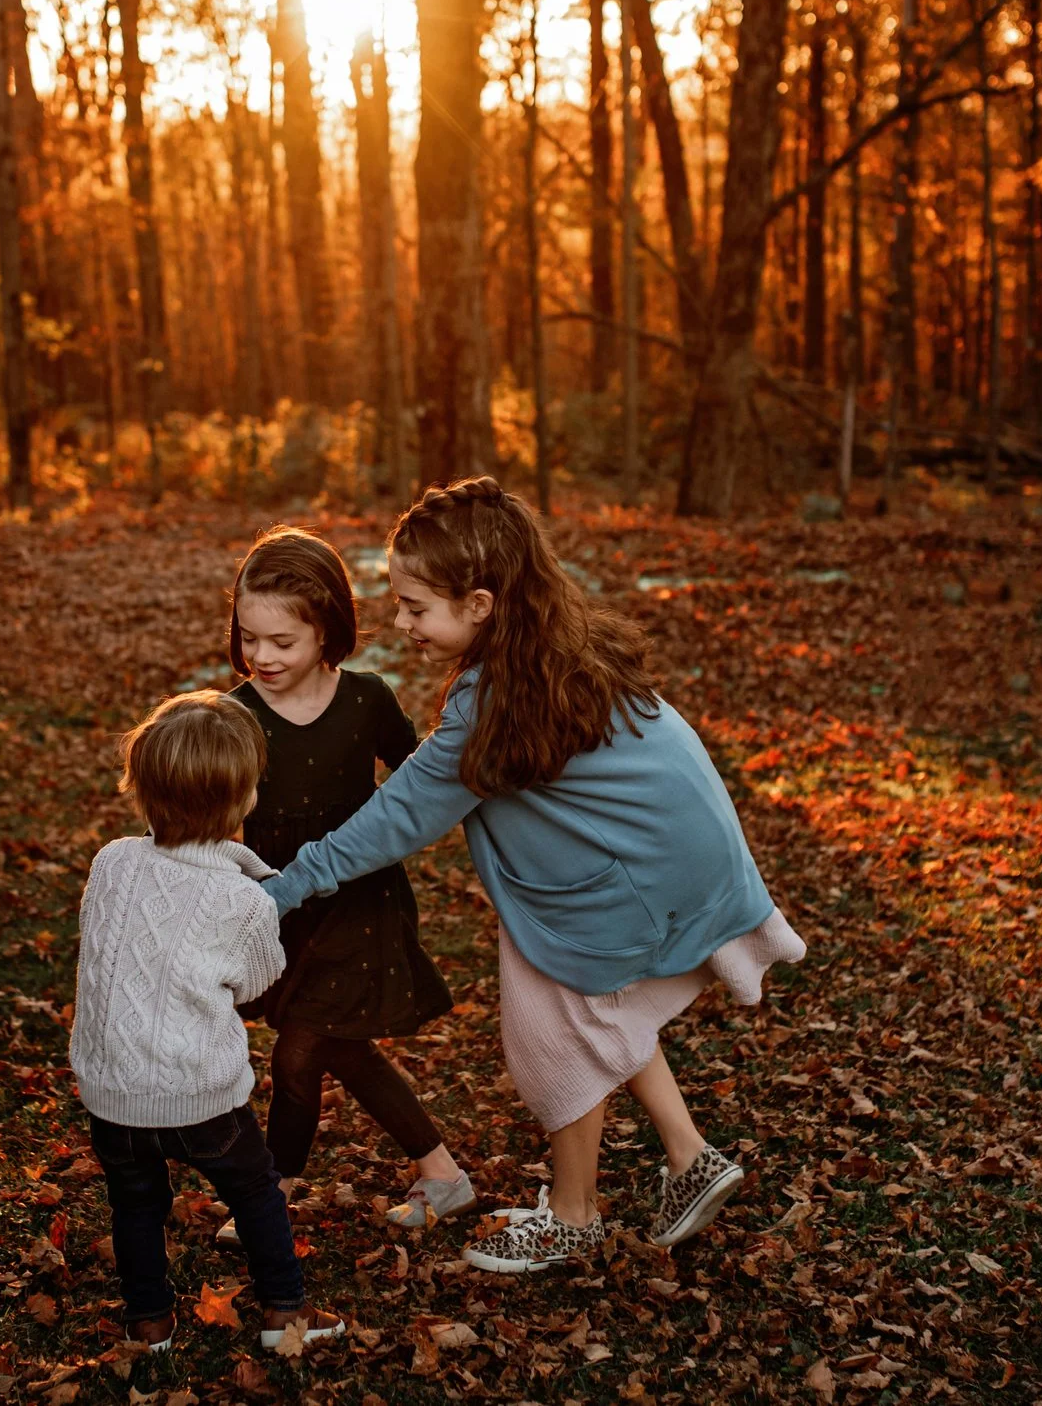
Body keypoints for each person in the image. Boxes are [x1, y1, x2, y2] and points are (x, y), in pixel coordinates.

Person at [258, 479, 807, 1273]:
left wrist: (274, 889)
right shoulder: (556, 642)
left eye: (415, 606)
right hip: (668, 852)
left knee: (550, 1035)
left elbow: (397, 818)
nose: (402, 623)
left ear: (480, 602)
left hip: (628, 875)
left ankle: (575, 1217)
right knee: (595, 1009)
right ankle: (688, 1158)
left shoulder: (496, 701)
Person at [68, 691, 346, 1350]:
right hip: (199, 1096)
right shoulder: (242, 900)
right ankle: (284, 1310)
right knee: (255, 1191)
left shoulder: (111, 861)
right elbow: (256, 979)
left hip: (112, 1095)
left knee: (135, 1203)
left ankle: (149, 1320)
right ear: (243, 799)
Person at [223, 526, 474, 1231]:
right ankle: (440, 1172)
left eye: (283, 641)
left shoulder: (365, 699)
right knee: (328, 1048)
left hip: (361, 904)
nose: (262, 656)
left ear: (327, 629)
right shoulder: (236, 715)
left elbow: (427, 782)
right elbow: (209, 812)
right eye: (250, 638)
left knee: (303, 1047)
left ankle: (269, 1198)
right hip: (282, 908)